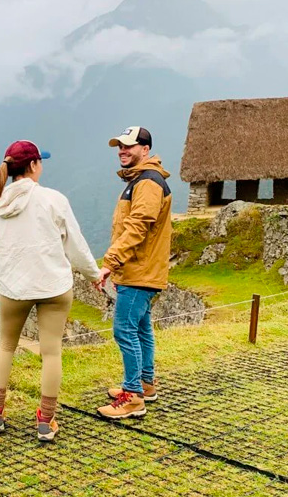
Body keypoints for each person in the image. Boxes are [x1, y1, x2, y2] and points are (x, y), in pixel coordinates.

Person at [0, 140, 102, 441]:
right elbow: (75, 244)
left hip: (14, 288)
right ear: (33, 165)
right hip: (54, 286)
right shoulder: (53, 200)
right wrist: (93, 274)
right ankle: (46, 421)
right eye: (41, 162)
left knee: (6, 347)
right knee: (51, 352)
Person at [97, 127, 173, 419]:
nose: (122, 151)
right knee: (141, 328)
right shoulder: (140, 179)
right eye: (120, 147)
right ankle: (145, 383)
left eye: (129, 146)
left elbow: (138, 226)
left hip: (139, 270)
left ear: (146, 148)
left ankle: (132, 397)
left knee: (124, 330)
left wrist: (110, 262)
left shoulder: (149, 182)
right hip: (140, 269)